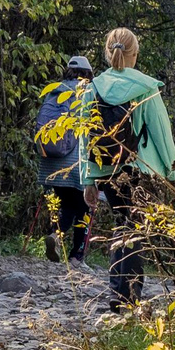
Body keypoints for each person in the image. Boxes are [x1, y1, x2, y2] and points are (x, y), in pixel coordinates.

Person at [92, 27, 175, 309]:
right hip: (139, 169)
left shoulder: (94, 87)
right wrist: (174, 172)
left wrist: (88, 180)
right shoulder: (146, 87)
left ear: (108, 53)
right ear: (135, 54)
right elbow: (161, 133)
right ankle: (128, 297)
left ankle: (117, 294)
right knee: (135, 229)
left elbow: (86, 137)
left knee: (122, 226)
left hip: (107, 170)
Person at [33, 54, 99, 263]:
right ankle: (76, 256)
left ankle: (55, 235)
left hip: (52, 162)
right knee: (84, 208)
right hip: (76, 162)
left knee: (65, 205)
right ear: (88, 74)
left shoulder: (54, 90)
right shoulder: (88, 92)